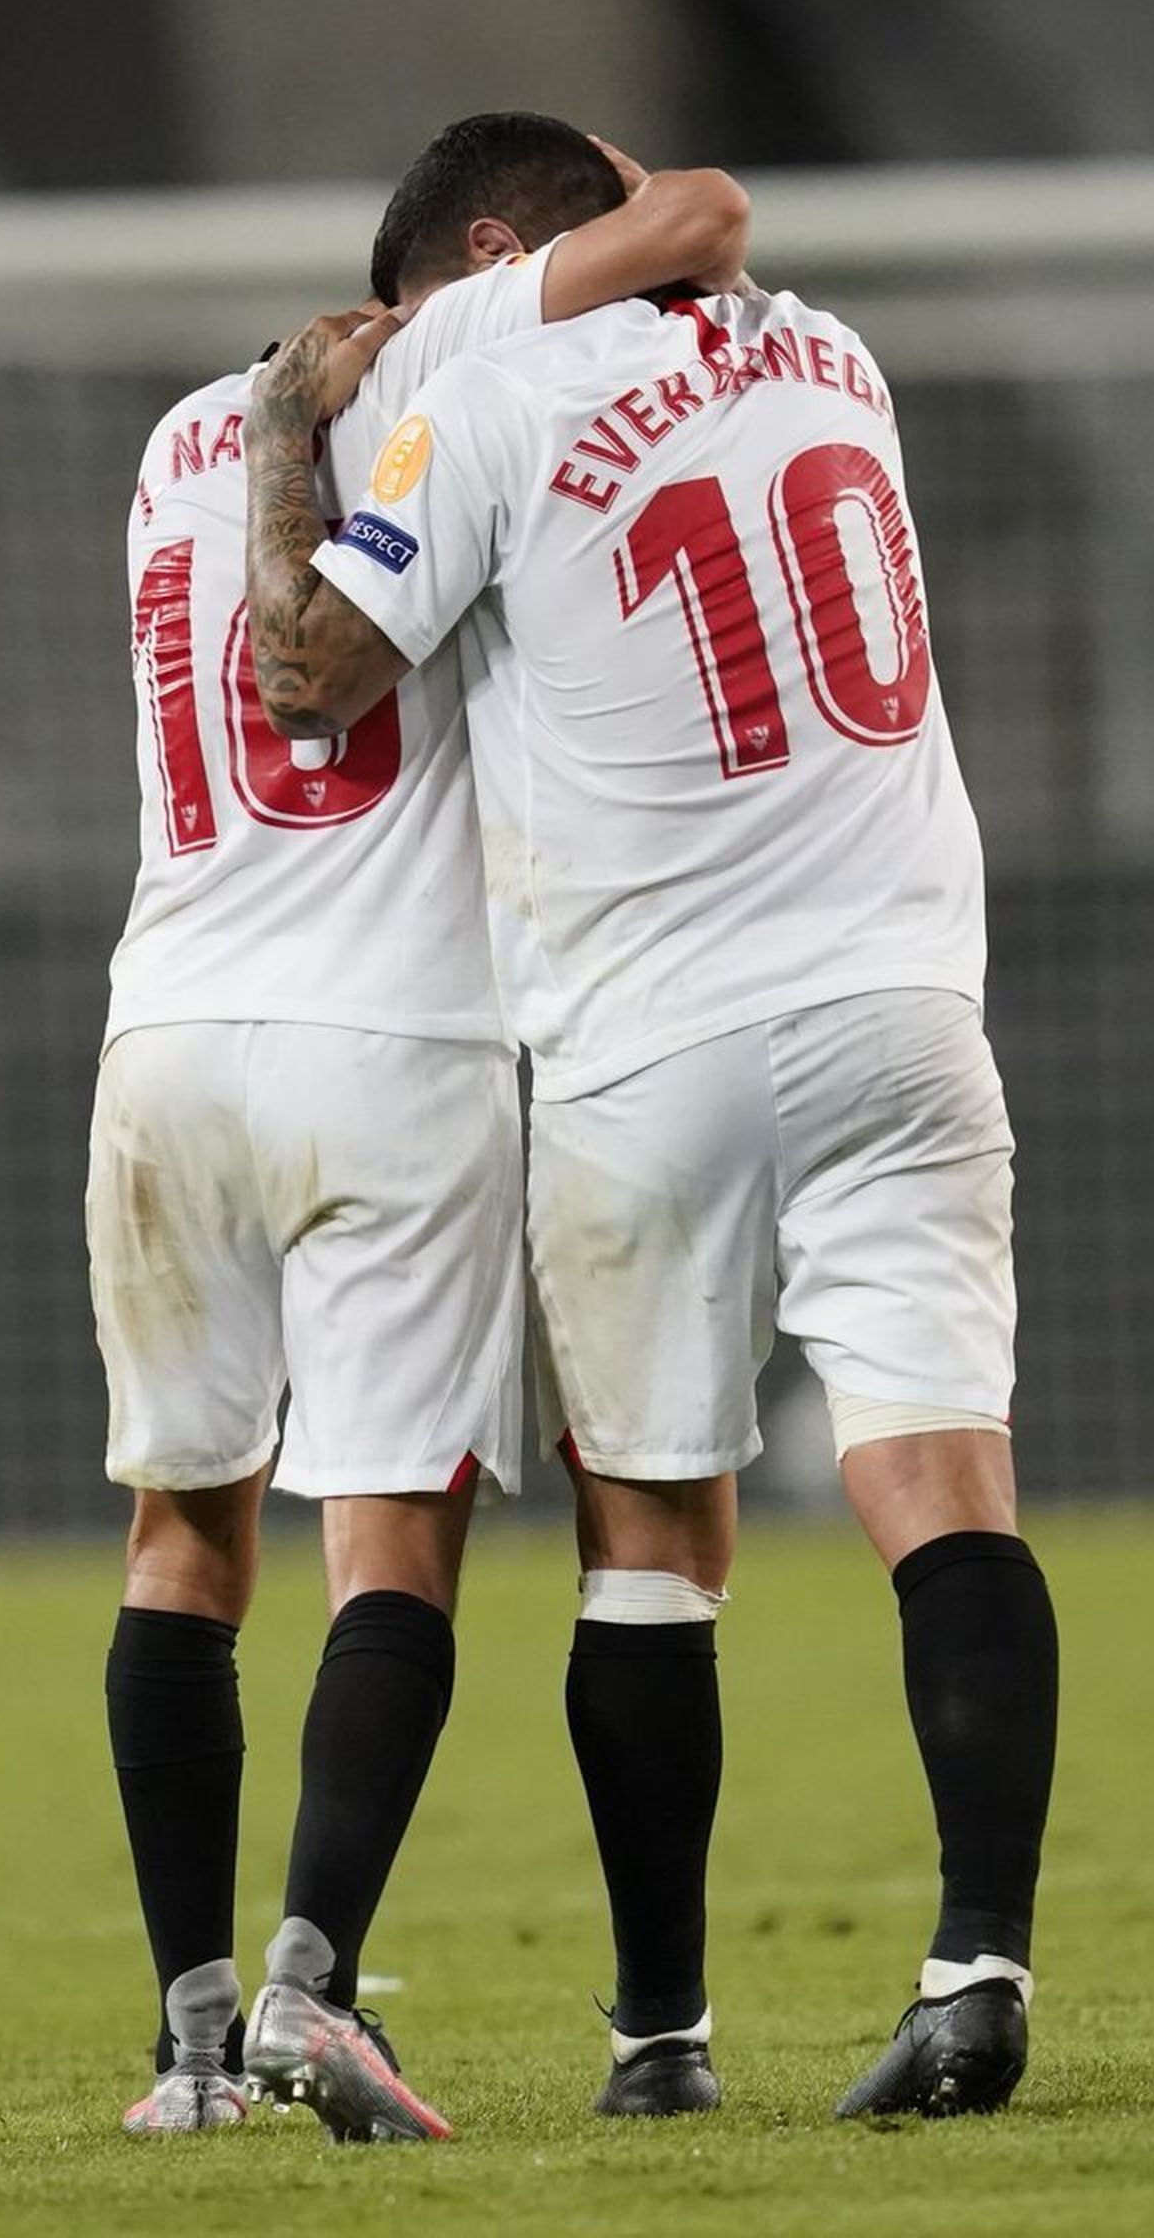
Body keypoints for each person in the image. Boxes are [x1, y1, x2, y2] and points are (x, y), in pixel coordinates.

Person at [242, 259, 1060, 2121]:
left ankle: (662, 2043)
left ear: (480, 275)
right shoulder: (833, 352)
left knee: (653, 1552)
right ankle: (977, 1969)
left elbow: (304, 673)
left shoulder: (494, 400)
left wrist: (298, 426)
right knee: (946, 1488)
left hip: (648, 1038)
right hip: (905, 1004)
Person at [88, 113, 752, 2141]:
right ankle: (311, 1987)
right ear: (479, 260)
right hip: (397, 1044)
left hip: (166, 1033)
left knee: (177, 1536)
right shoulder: (471, 374)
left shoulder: (191, 433)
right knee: (393, 1535)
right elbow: (692, 218)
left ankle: (189, 2051)